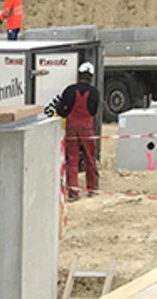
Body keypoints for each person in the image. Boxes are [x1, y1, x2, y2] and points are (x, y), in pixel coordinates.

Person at [49, 61, 100, 199]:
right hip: (87, 129)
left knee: (72, 159)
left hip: (71, 128)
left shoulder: (69, 90)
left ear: (79, 75)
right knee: (90, 158)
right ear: (91, 77)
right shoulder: (94, 92)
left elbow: (61, 110)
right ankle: (92, 189)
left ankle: (73, 191)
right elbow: (94, 111)